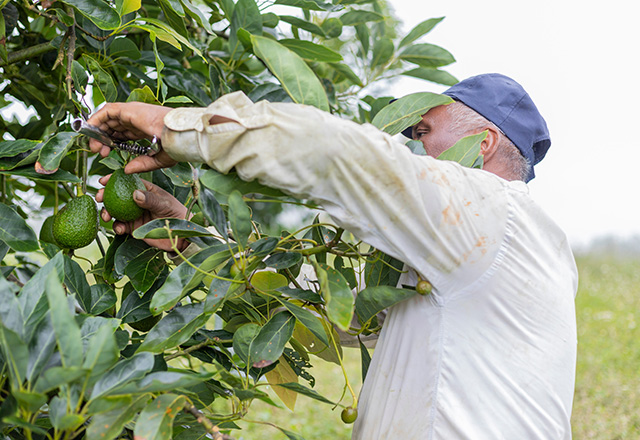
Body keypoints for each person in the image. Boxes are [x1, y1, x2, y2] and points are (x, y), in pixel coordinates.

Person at [88, 73, 578, 439]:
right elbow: (341, 317)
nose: (411, 143)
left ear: (483, 144)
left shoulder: (491, 214)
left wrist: (175, 125)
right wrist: (187, 233)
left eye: (424, 130)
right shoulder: (490, 250)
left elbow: (339, 154)